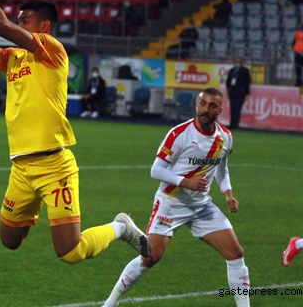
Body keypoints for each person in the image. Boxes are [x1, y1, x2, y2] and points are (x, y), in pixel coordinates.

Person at [0, 0, 150, 270]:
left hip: (54, 164)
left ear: (43, 27)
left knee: (69, 252)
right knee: (9, 240)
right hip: (21, 165)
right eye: (20, 20)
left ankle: (120, 227)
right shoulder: (12, 58)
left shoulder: (52, 50)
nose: (19, 24)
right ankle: (34, 211)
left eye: (25, 19)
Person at [102, 87, 250, 307]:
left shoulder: (225, 137)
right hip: (171, 204)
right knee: (150, 257)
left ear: (219, 109)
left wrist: (227, 193)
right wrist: (185, 182)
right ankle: (110, 303)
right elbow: (156, 170)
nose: (205, 109)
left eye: (212, 105)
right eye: (202, 103)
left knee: (236, 253)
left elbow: (221, 167)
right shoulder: (179, 134)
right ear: (196, 105)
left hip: (202, 208)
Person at [226, 57, 251, 129]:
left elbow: (247, 81)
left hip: (240, 91)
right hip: (232, 91)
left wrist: (243, 89)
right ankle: (232, 123)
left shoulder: (245, 71)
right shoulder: (232, 70)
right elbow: (228, 80)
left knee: (238, 107)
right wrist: (229, 88)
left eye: (238, 62)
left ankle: (236, 123)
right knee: (232, 107)